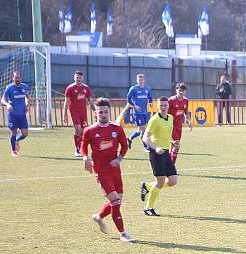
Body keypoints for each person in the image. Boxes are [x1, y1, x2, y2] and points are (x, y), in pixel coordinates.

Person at [81, 98, 134, 243]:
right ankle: (123, 233)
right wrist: (85, 158)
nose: (103, 114)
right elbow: (83, 146)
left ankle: (99, 217)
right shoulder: (90, 131)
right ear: (96, 114)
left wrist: (119, 159)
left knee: (117, 202)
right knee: (116, 202)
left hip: (115, 170)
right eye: (100, 112)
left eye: (105, 112)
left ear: (109, 112)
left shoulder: (117, 128)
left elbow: (124, 145)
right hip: (101, 172)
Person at [139, 97, 177, 216]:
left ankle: (147, 186)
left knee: (173, 181)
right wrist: (156, 148)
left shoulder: (170, 118)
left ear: (168, 106)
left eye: (165, 105)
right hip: (156, 153)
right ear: (157, 106)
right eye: (161, 106)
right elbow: (145, 138)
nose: (163, 108)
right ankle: (148, 208)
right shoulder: (154, 120)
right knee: (160, 181)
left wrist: (171, 142)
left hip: (166, 153)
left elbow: (164, 134)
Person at [117, 73, 153, 150]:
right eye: (139, 80)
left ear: (144, 80)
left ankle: (130, 138)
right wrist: (134, 106)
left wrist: (150, 102)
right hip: (137, 113)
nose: (141, 81)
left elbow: (150, 97)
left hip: (145, 112)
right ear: (137, 80)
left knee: (140, 130)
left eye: (142, 79)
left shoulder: (147, 88)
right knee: (145, 129)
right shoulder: (133, 89)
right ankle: (145, 146)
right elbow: (128, 99)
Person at [63, 70, 94, 157]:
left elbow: (90, 101)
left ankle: (81, 148)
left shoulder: (86, 88)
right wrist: (64, 115)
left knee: (83, 132)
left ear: (82, 78)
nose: (78, 79)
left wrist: (95, 111)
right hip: (74, 112)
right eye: (76, 77)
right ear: (74, 78)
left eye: (79, 78)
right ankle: (77, 149)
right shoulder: (70, 88)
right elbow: (66, 102)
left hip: (83, 113)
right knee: (78, 129)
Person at [1, 71, 30, 157]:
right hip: (13, 114)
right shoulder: (9, 88)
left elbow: (27, 97)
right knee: (14, 131)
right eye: (15, 77)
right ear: (12, 78)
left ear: (21, 78)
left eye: (18, 77)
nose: (17, 79)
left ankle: (16, 140)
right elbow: (2, 99)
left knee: (25, 134)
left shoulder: (25, 87)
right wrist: (7, 104)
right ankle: (13, 151)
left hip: (22, 114)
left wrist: (27, 105)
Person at [167, 82, 192, 164]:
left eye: (183, 91)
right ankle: (171, 166)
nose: (181, 92)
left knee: (173, 146)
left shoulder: (186, 100)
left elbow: (185, 111)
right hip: (170, 125)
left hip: (179, 126)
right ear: (176, 90)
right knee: (177, 145)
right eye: (179, 90)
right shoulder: (171, 100)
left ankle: (168, 163)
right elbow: (165, 112)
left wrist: (188, 120)